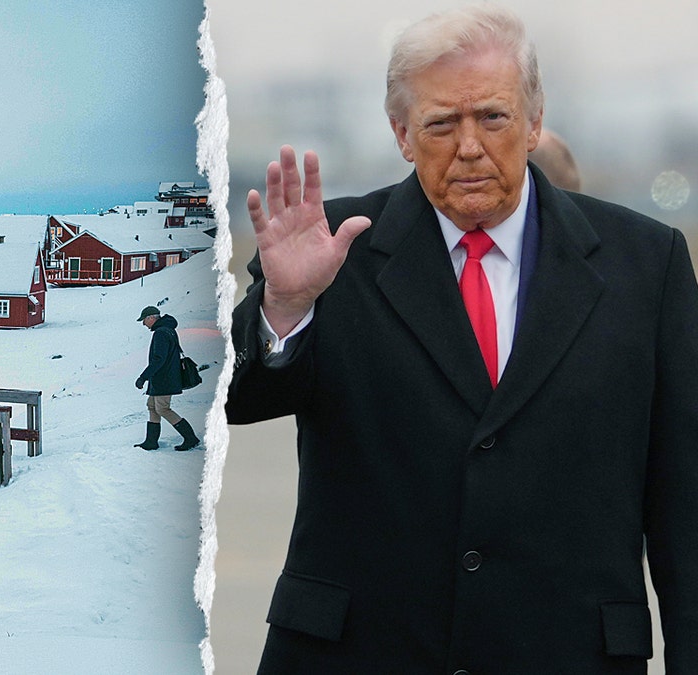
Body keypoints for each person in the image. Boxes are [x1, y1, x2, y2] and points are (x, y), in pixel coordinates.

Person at [225, 5, 698, 672]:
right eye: (441, 123)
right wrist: (285, 306)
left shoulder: (647, 265)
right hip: (360, 654)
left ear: (534, 121)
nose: (469, 145)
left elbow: (685, 511)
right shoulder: (332, 248)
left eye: (493, 118)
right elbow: (240, 398)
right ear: (402, 134)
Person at [133, 305, 201, 451]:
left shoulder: (161, 333)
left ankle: (191, 438)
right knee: (152, 406)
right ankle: (151, 441)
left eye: (144, 320)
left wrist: (143, 377)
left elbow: (159, 359)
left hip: (164, 378)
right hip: (162, 377)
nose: (144, 324)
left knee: (162, 408)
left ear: (151, 318)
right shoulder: (167, 330)